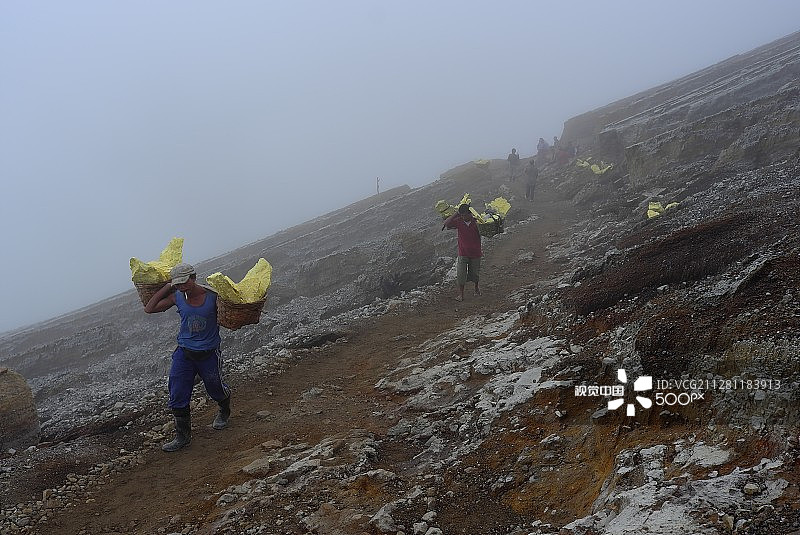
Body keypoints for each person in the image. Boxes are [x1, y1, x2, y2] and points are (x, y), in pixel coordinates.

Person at [145, 263, 231, 452]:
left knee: (215, 387)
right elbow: (149, 308)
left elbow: (231, 310)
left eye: (185, 282)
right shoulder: (177, 296)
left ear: (193, 277)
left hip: (209, 353)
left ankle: (224, 409)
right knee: (177, 392)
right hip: (184, 353)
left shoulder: (212, 296)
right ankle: (182, 436)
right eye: (178, 284)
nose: (182, 287)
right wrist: (167, 286)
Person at [442, 204, 482, 301]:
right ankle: (461, 294)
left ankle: (476, 288)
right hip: (463, 253)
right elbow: (446, 223)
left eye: (465, 215)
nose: (463, 217)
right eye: (462, 215)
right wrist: (456, 213)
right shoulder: (459, 221)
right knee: (461, 274)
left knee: (475, 273)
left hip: (476, 252)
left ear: (470, 213)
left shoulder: (477, 222)